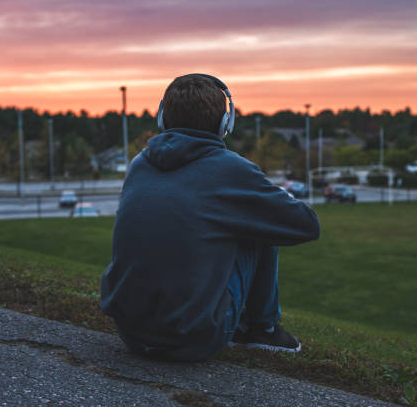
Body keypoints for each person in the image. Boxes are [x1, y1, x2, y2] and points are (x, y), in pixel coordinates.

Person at [100, 73, 320, 362]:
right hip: (196, 337)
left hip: (130, 332)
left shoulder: (140, 163)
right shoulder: (232, 170)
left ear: (162, 117)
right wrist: (268, 194)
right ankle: (262, 329)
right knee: (262, 224)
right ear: (224, 123)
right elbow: (307, 225)